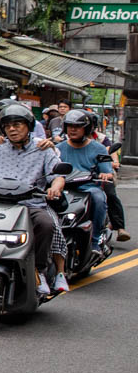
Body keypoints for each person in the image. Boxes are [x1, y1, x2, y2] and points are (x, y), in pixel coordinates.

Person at [0, 103, 63, 297]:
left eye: (17, 124)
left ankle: (39, 270)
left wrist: (54, 189)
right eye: (7, 126)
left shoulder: (43, 148)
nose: (12, 129)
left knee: (46, 223)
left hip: (30, 206)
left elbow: (57, 175)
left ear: (29, 126)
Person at [56, 109, 113, 263]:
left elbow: (107, 169)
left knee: (99, 198)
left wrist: (105, 174)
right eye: (69, 126)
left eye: (78, 126)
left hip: (88, 188)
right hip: (63, 188)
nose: (73, 129)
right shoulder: (58, 148)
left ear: (86, 129)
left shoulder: (99, 148)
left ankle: (96, 241)